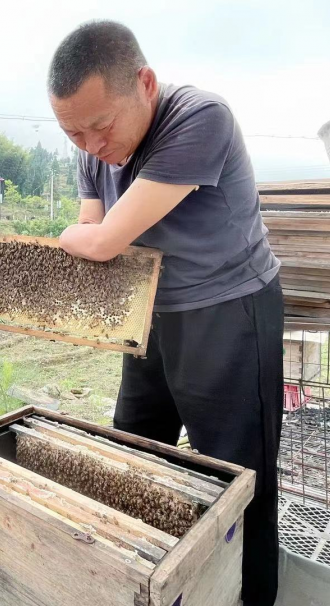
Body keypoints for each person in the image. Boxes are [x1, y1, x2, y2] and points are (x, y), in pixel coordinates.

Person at [48, 20, 284, 606]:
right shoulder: (91, 143)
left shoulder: (199, 118)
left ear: (145, 83)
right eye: (72, 133)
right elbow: (95, 228)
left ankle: (251, 595)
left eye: (100, 126)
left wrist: (72, 234)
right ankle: (143, 582)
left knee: (237, 475)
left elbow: (98, 241)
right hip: (151, 316)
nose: (91, 147)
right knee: (132, 450)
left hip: (230, 313)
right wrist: (86, 230)